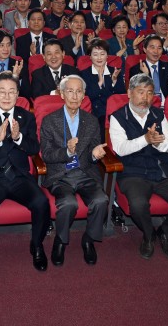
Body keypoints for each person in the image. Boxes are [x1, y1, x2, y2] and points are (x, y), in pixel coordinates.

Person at [0, 72, 50, 277]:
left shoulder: (27, 116)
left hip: (19, 176)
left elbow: (34, 148)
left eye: (11, 92)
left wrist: (18, 137)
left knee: (41, 202)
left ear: (17, 95)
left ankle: (37, 245)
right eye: (2, 92)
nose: (7, 96)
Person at [109, 74, 168, 259]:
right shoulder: (118, 117)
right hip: (133, 173)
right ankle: (148, 236)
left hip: (160, 169)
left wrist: (158, 144)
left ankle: (165, 233)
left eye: (149, 93)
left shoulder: (158, 114)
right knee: (138, 205)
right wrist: (145, 139)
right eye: (140, 92)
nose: (145, 97)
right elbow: (121, 149)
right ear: (129, 93)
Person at [40, 76, 109, 265]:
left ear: (84, 95)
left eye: (79, 91)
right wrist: (67, 151)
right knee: (69, 203)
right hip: (60, 174)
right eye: (70, 91)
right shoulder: (49, 121)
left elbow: (93, 151)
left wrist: (95, 155)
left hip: (85, 172)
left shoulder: (92, 121)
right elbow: (46, 155)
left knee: (101, 200)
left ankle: (88, 239)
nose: (74, 95)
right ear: (62, 94)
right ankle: (60, 241)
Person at [80, 39, 124, 129]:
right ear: (90, 57)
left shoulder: (115, 71)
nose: (99, 58)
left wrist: (114, 82)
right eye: (95, 54)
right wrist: (99, 84)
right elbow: (86, 97)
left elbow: (121, 95)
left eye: (102, 54)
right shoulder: (84, 74)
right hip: (94, 113)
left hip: (114, 111)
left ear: (107, 55)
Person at [128, 34, 168, 101]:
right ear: (144, 49)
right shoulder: (136, 69)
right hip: (146, 104)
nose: (156, 51)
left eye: (159, 48)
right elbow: (137, 94)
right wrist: (145, 75)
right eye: (152, 47)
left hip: (166, 103)